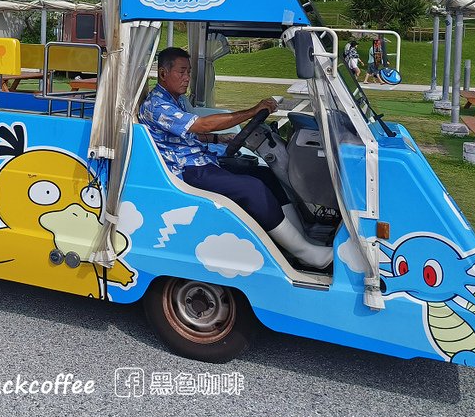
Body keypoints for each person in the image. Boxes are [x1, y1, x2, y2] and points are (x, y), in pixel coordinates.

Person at [138, 47, 333, 270]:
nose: (186, 78)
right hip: (186, 171)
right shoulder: (157, 105)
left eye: (189, 72)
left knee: (265, 175)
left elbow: (185, 135)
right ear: (163, 74)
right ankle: (306, 253)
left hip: (202, 160)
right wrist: (253, 111)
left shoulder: (176, 100)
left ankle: (300, 240)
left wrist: (217, 139)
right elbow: (200, 124)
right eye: (181, 72)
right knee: (252, 189)